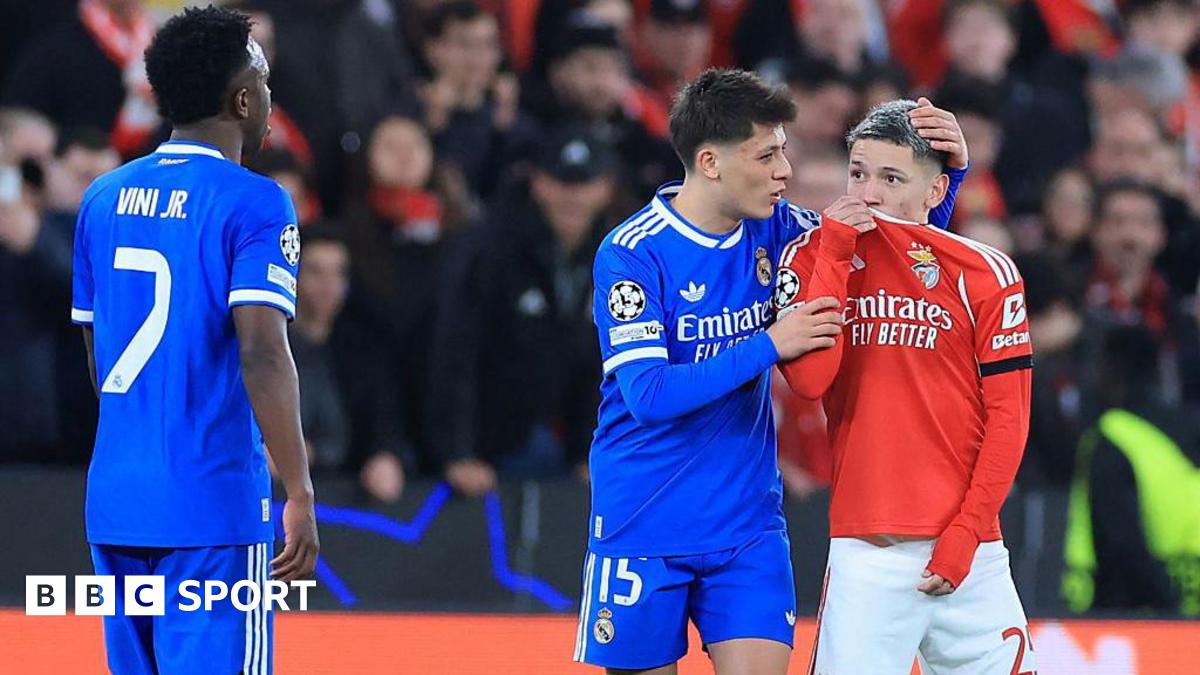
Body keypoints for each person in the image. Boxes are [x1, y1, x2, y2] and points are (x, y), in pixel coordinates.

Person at [573, 69, 965, 674]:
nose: (785, 169)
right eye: (767, 154)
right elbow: (648, 393)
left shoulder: (781, 231)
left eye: (784, 149)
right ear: (710, 161)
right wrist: (768, 344)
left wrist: (948, 176)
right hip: (644, 519)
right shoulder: (633, 252)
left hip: (747, 524)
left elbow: (901, 266)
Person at [70, 8, 318, 674]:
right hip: (211, 503)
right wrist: (296, 487)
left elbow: (98, 352)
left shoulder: (102, 197)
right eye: (264, 84)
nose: (270, 100)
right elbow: (263, 351)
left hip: (117, 500)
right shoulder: (256, 202)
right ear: (242, 99)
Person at [776, 100, 1035, 672]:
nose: (868, 194)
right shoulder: (813, 256)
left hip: (972, 552)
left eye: (891, 178)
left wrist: (967, 533)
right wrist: (837, 251)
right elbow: (809, 383)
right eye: (859, 173)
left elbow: (1009, 419)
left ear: (937, 191)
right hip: (867, 554)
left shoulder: (986, 271)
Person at [428, 124, 616, 495]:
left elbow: (602, 363)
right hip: (492, 446)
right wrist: (458, 452)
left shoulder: (613, 256)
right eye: (562, 183)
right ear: (539, 184)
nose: (572, 197)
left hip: (560, 443)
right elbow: (457, 351)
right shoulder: (492, 250)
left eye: (584, 184)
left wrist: (590, 452)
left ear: (605, 189)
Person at [1062, 324, 1200, 616]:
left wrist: (1166, 605)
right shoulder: (1188, 427)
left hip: (1128, 613)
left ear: (1111, 368)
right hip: (1189, 594)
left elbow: (1122, 541)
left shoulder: (1113, 435)